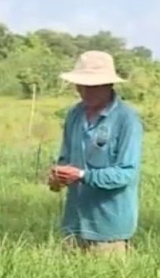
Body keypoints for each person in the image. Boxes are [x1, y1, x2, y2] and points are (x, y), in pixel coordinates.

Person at [47, 51, 144, 256]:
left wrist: (83, 175)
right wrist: (58, 176)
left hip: (108, 227)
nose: (85, 91)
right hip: (74, 223)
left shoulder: (126, 120)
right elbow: (65, 158)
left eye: (92, 86)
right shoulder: (74, 114)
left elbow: (126, 172)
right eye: (81, 85)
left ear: (109, 85)